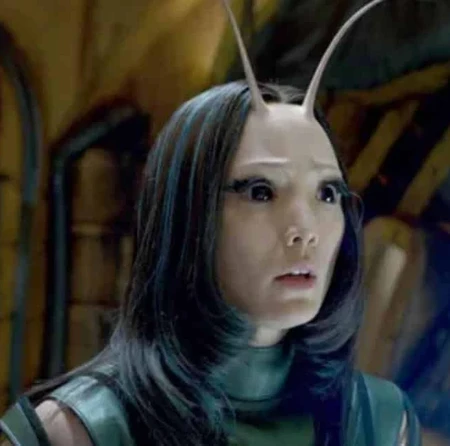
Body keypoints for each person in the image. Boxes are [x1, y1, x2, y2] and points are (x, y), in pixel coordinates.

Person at [0, 0, 422, 444]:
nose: (305, 228)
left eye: (327, 193)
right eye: (260, 192)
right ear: (189, 211)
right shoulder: (77, 431)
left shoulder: (380, 422)